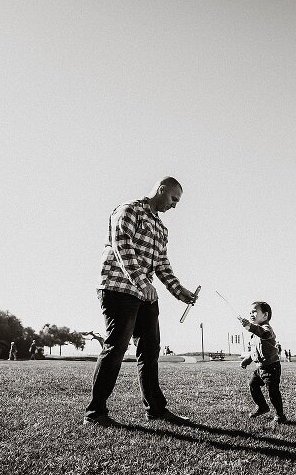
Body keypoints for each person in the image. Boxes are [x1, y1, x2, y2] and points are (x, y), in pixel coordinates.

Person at [84, 177, 199, 427]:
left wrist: (181, 292)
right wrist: (142, 282)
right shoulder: (128, 210)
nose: (175, 205)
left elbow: (162, 266)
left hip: (145, 294)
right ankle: (95, 413)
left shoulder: (161, 229)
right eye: (173, 199)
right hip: (118, 288)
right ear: (161, 190)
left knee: (150, 351)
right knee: (116, 347)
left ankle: (156, 410)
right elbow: (122, 247)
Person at [239, 301, 287, 424]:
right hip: (260, 368)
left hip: (272, 367)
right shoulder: (255, 334)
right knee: (252, 384)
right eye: (250, 312)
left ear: (265, 316)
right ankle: (262, 406)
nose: (251, 314)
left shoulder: (266, 328)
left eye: (254, 311)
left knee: (273, 392)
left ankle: (280, 415)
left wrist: (250, 327)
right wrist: (247, 360)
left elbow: (265, 334)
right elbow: (254, 350)